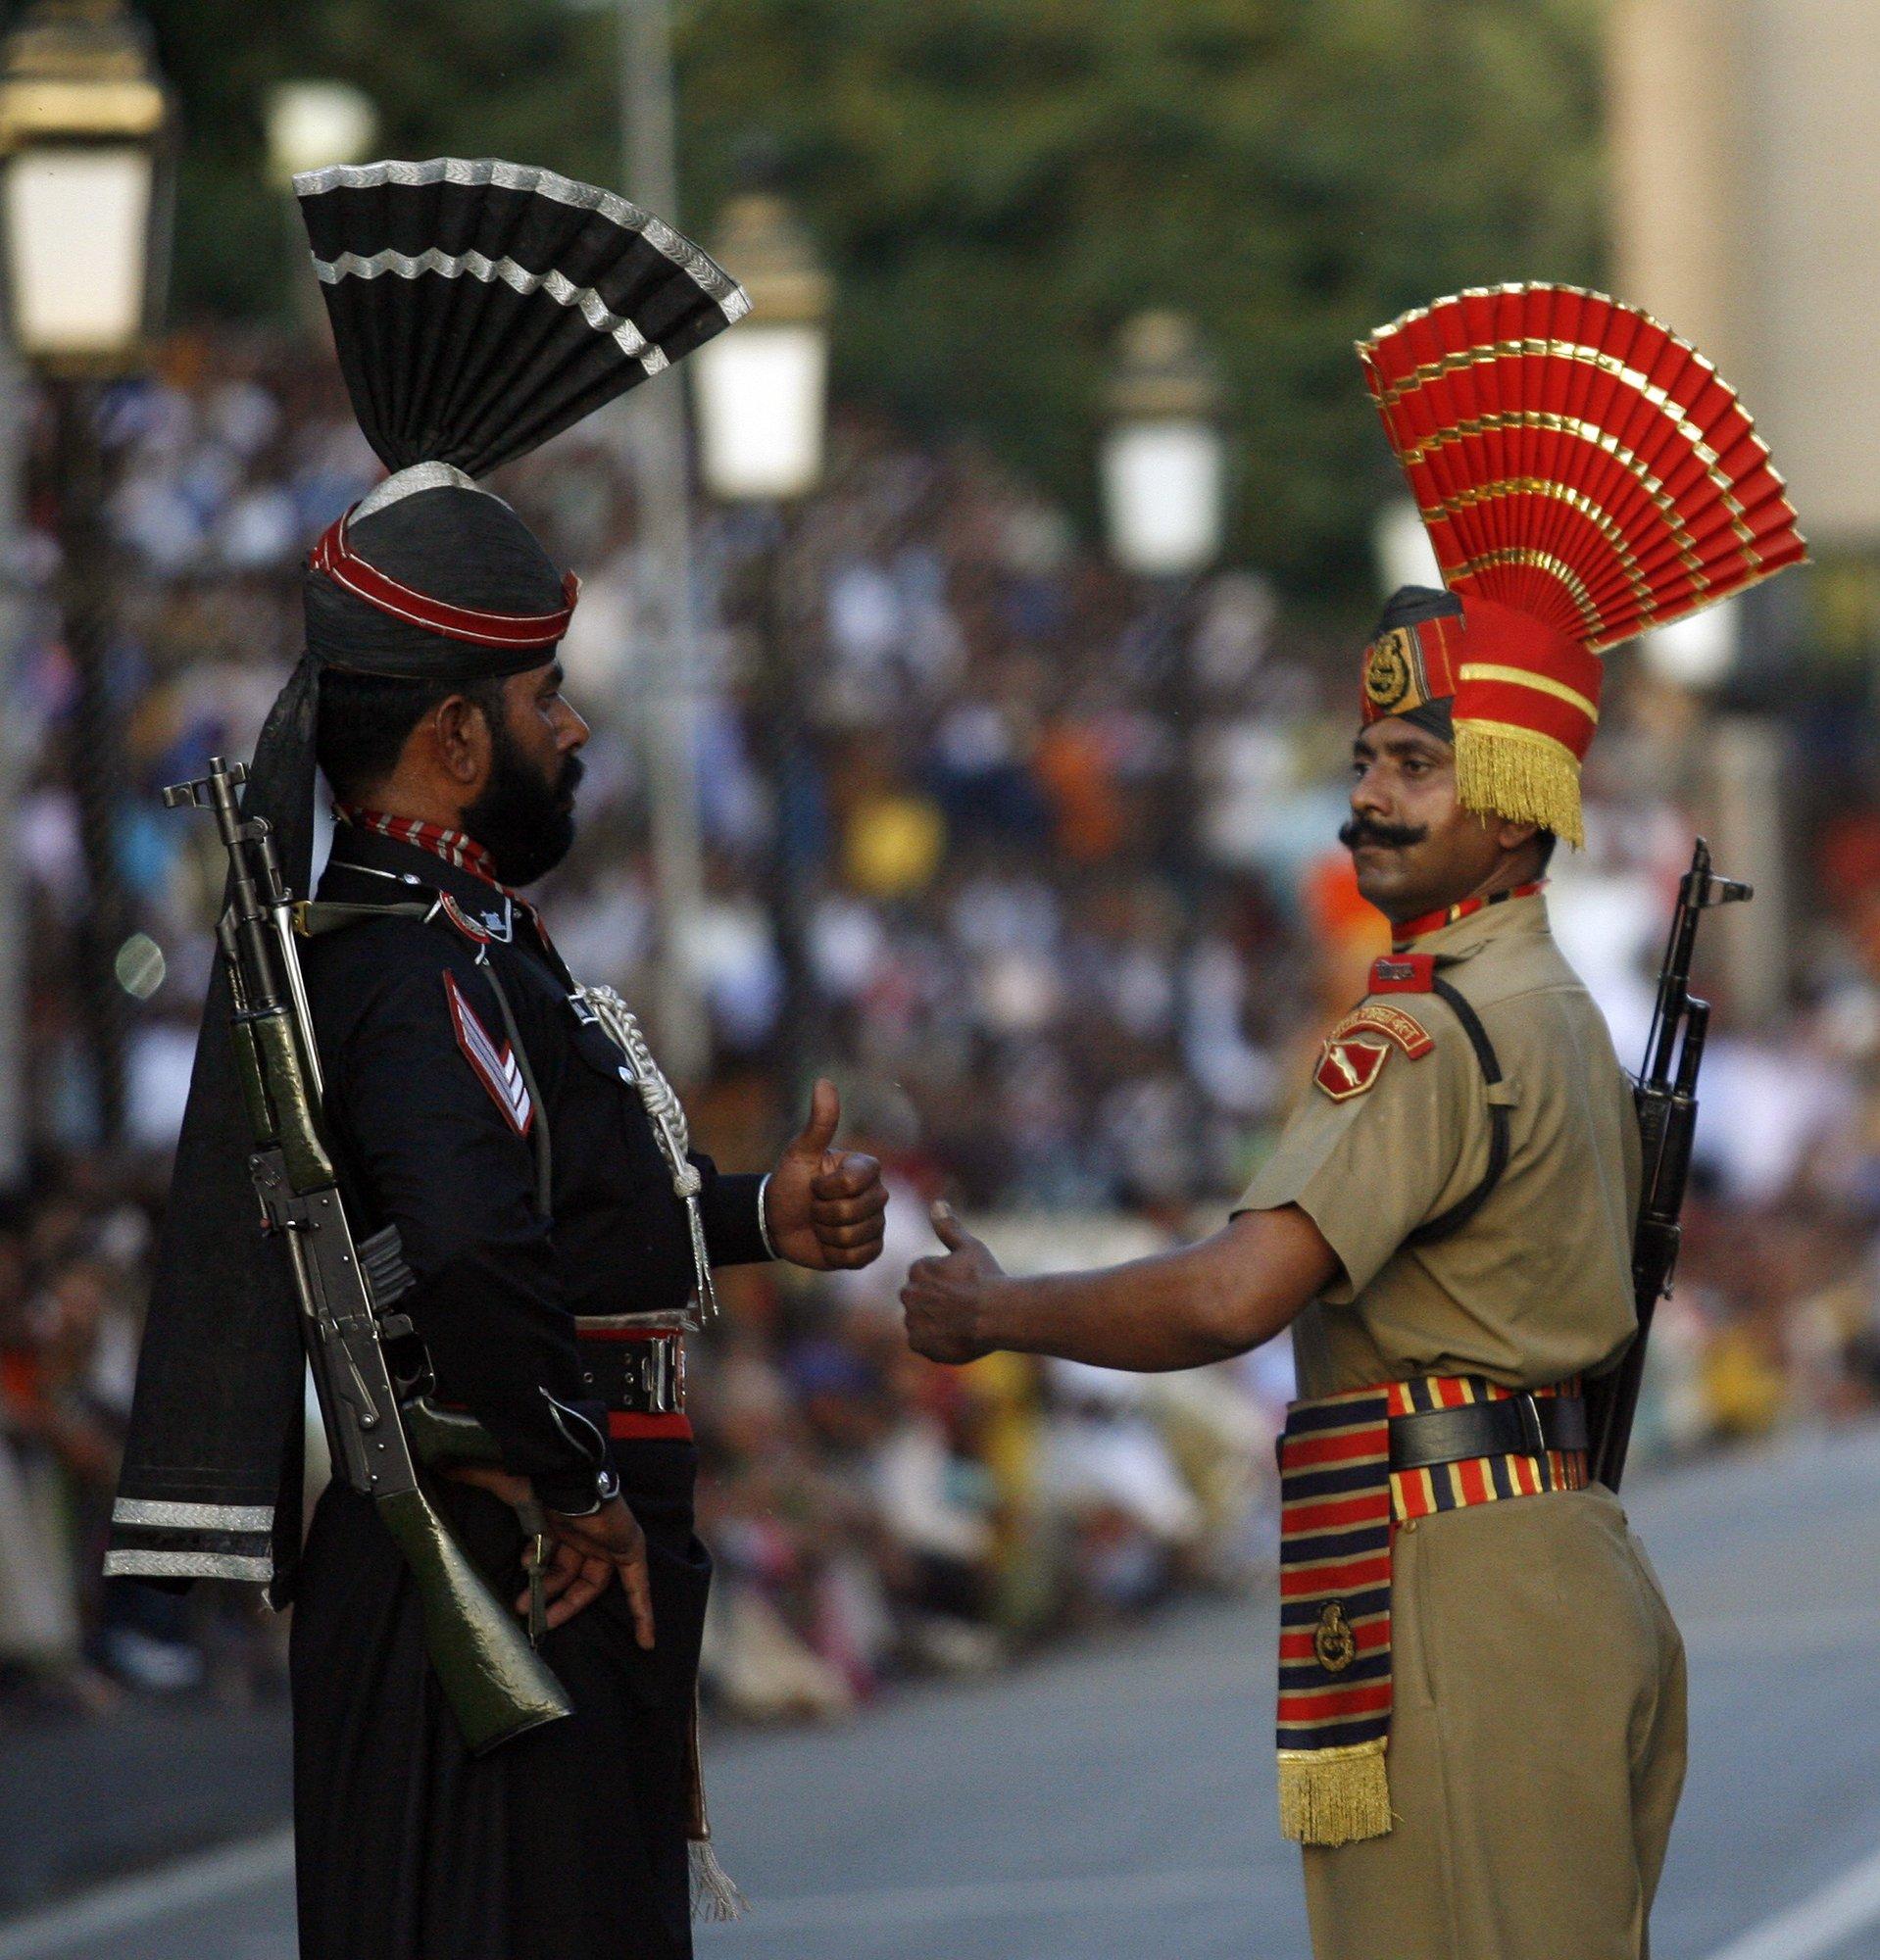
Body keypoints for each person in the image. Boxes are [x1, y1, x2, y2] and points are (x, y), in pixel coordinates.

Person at [900, 284, 1806, 1960]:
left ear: (1515, 803)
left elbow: (1230, 1295)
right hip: (1539, 1561)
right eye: (1364, 758)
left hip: (1464, 1589)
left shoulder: (1429, 1029)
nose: (1364, 799)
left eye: (1411, 764)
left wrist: (998, 1311)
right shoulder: (1547, 1004)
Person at [107, 157, 887, 1960]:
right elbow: (466, 1248)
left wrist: (757, 1215)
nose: (577, 725)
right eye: (548, 699)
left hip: (522, 1545)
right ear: (456, 742)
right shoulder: (403, 962)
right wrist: (581, 1483)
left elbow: (543, 1212)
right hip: (503, 1556)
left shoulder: (452, 940)